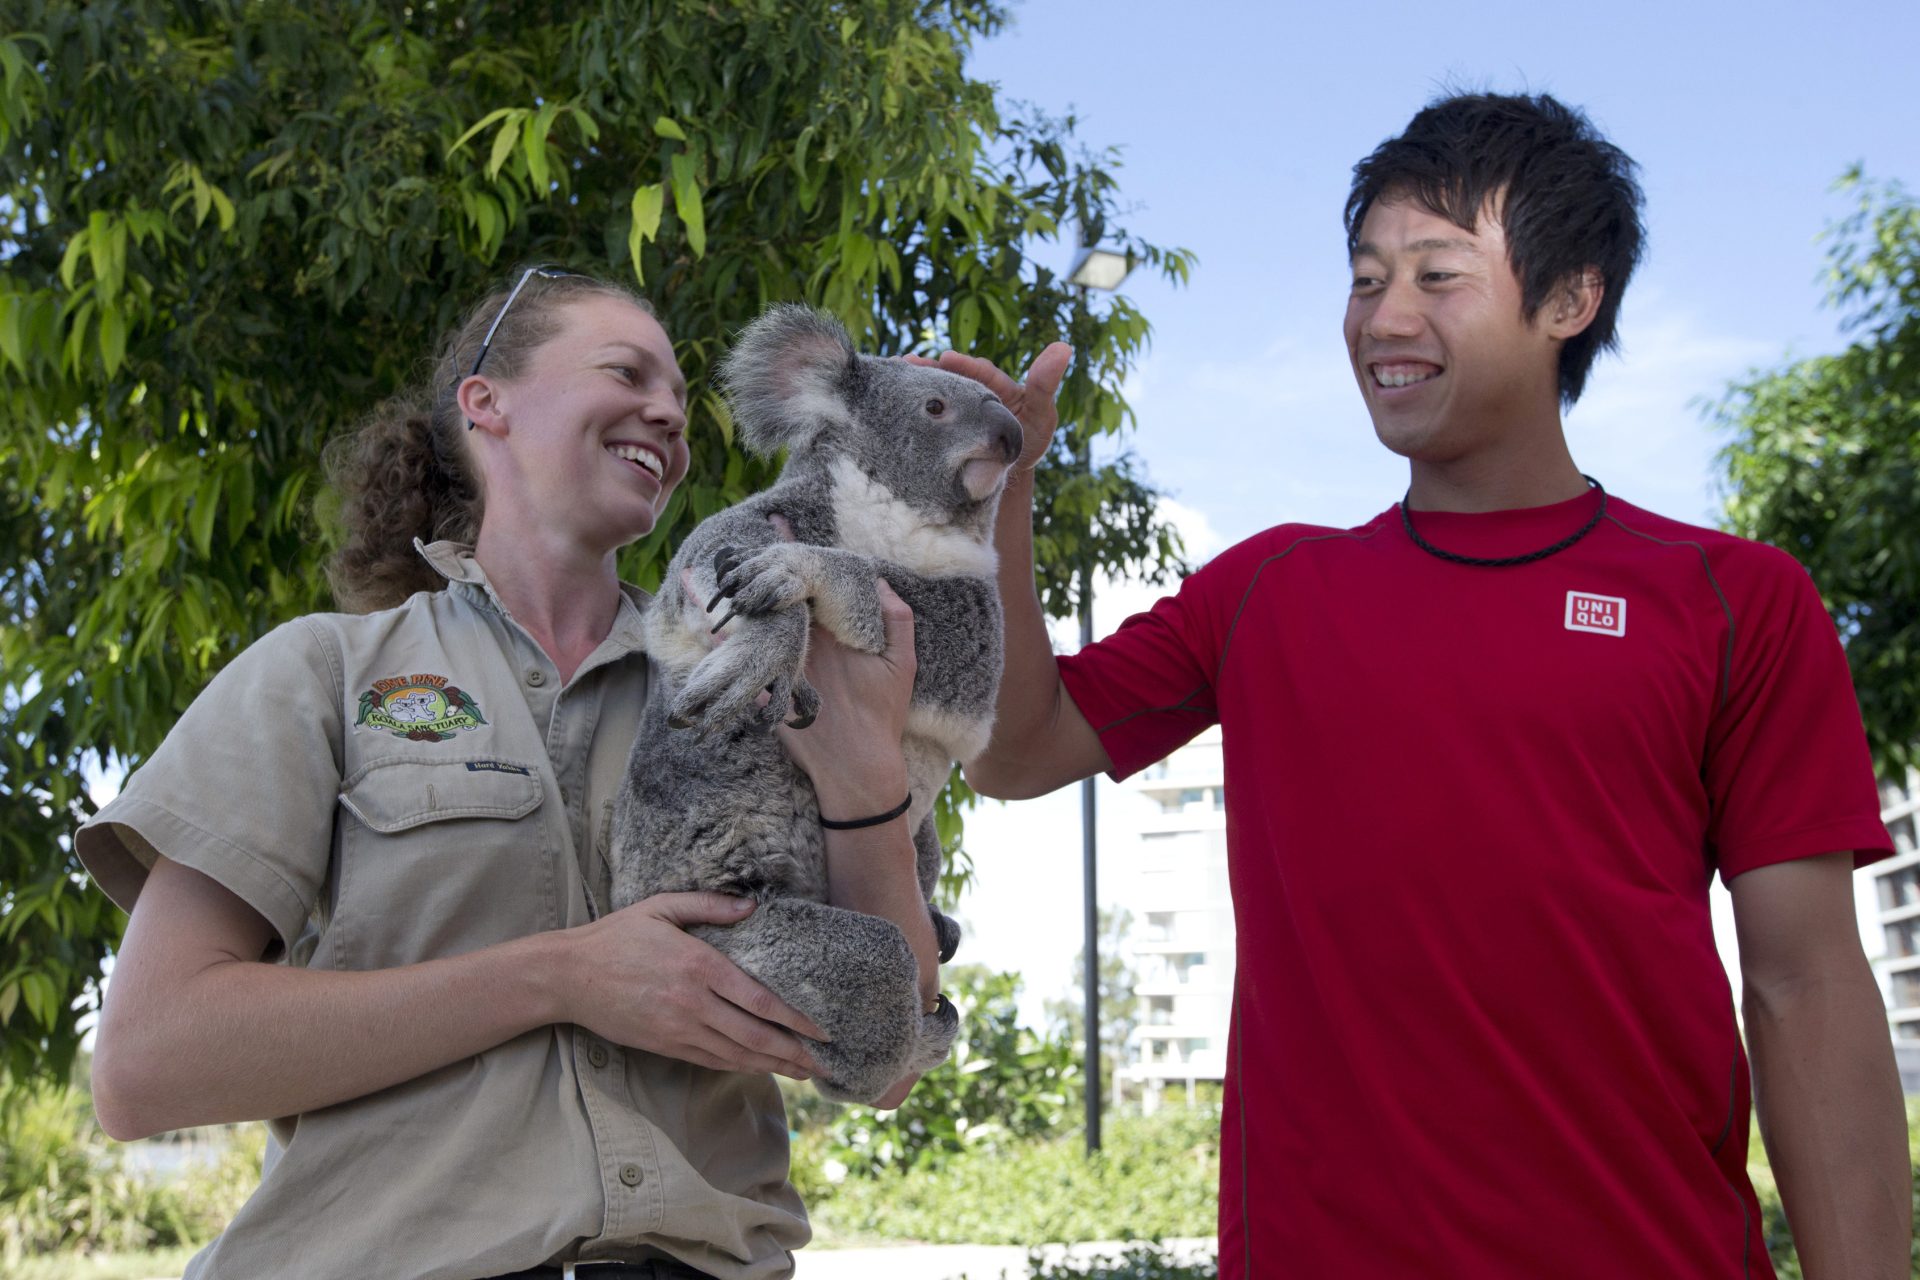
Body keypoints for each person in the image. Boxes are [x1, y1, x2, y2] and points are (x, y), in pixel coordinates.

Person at [957, 93, 1908, 1277]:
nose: (1383, 317)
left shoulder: (1734, 598)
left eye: (1437, 275)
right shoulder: (1270, 589)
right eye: (1364, 279)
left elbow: (1807, 980)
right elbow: (1014, 749)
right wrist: (998, 493)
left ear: (1570, 299)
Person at [78, 267, 937, 1280]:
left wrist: (865, 770)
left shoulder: (760, 671)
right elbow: (146, 1065)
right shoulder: (319, 674)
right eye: (627, 371)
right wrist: (562, 976)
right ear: (486, 402)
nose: (668, 412)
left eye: (680, 401)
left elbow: (890, 1054)